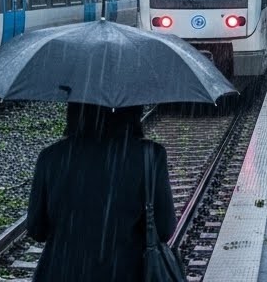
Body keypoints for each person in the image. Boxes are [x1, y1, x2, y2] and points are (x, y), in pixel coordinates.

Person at [27, 103, 174, 282]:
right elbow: (165, 229)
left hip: (60, 273)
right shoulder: (150, 156)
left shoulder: (51, 157)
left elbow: (37, 230)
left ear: (74, 109)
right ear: (134, 110)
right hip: (126, 273)